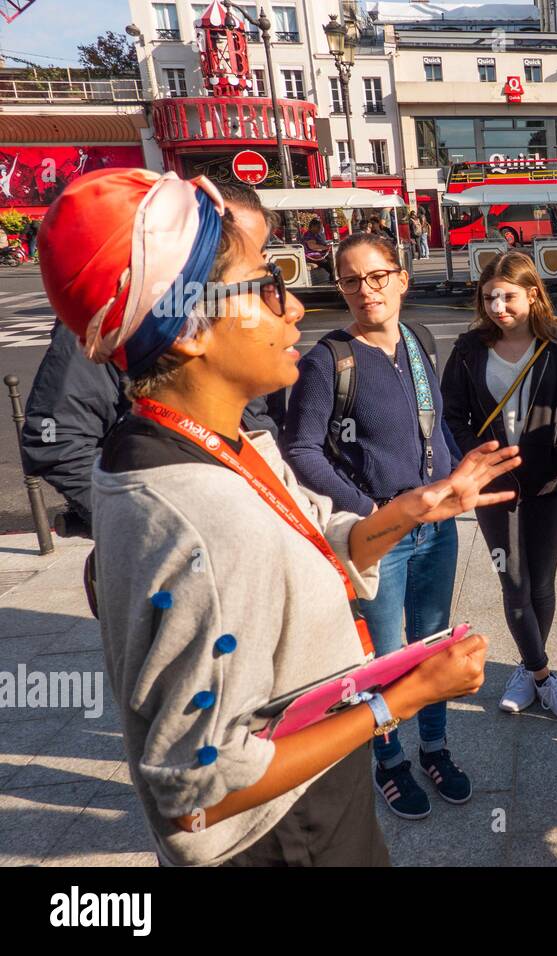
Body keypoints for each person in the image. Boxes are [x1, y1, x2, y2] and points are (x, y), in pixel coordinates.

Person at [37, 167, 517, 866]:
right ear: (193, 329)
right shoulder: (192, 514)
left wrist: (419, 505)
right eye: (265, 287)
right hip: (284, 838)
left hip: (318, 803)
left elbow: (315, 532)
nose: (294, 308)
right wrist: (399, 701)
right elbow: (196, 793)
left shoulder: (216, 441)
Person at [282, 231, 474, 818]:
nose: (367, 292)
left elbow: (433, 427)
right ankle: (389, 760)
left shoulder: (420, 340)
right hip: (380, 536)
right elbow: (302, 450)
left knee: (435, 643)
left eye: (378, 277)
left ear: (401, 278)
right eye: (351, 281)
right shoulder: (328, 360)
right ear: (338, 287)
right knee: (384, 657)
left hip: (437, 526)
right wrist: (370, 512)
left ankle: (435, 748)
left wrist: (458, 473)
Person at [20, 180, 281, 539]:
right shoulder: (123, 320)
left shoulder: (240, 317)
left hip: (249, 525)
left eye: (257, 256)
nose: (248, 267)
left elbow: (256, 420)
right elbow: (57, 442)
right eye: (231, 251)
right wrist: (149, 529)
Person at [442, 252, 557, 720]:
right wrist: (479, 460)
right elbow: (453, 416)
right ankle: (544, 676)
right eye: (489, 297)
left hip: (550, 485)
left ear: (533, 294)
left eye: (508, 295)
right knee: (514, 581)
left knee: (541, 582)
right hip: (493, 487)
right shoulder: (469, 348)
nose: (497, 305)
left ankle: (528, 672)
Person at [302, 217, 335, 282]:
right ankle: (333, 276)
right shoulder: (309, 235)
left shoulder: (316, 234)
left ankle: (333, 276)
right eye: (318, 227)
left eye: (320, 226)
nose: (320, 228)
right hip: (310, 255)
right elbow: (312, 246)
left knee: (332, 259)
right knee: (326, 263)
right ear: (313, 226)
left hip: (317, 253)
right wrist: (325, 247)